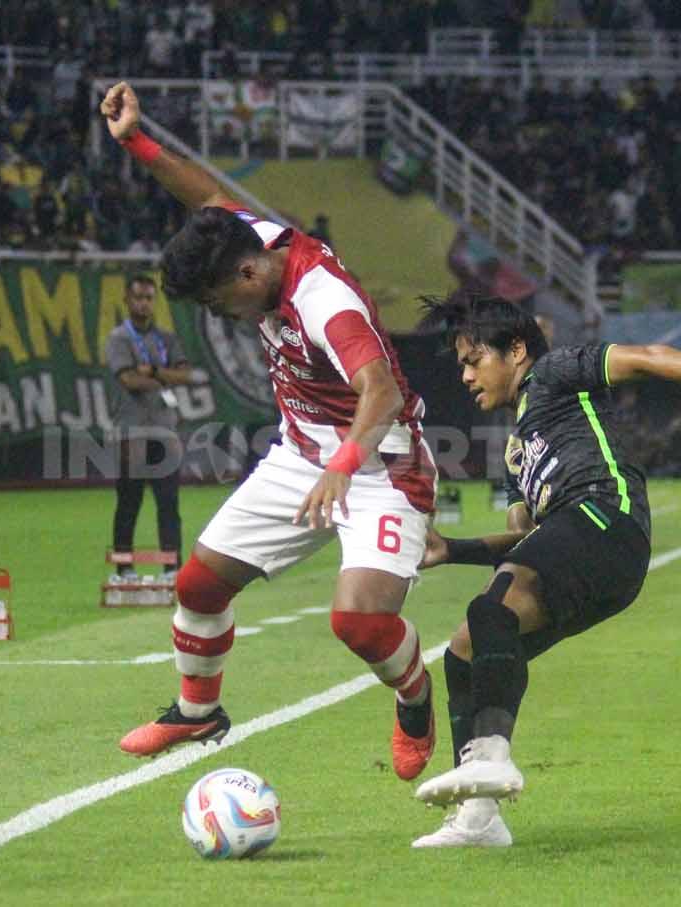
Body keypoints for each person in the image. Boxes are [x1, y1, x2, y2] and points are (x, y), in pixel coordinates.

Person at [101, 81, 441, 781]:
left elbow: (378, 390)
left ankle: (415, 694)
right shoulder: (247, 241)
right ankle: (198, 711)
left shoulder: (324, 299)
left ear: (251, 273)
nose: (225, 315)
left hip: (381, 463)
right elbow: (201, 194)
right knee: (197, 584)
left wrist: (345, 463)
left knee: (359, 624)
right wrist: (136, 139)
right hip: (303, 456)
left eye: (223, 302)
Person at [412, 295, 681, 848]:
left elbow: (649, 355)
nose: (466, 375)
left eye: (474, 360)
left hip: (606, 515)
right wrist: (450, 548)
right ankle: (478, 818)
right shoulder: (516, 454)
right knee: (467, 648)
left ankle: (492, 758)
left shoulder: (553, 374)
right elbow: (527, 542)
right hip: (595, 559)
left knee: (491, 609)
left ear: (516, 351)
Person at [105, 272, 193, 580]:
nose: (143, 303)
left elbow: (186, 375)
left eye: (148, 298)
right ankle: (124, 568)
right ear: (127, 300)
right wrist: (165, 375)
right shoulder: (119, 338)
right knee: (129, 500)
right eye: (138, 298)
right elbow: (128, 379)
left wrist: (154, 370)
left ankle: (172, 568)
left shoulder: (165, 338)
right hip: (132, 430)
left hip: (164, 429)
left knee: (169, 501)